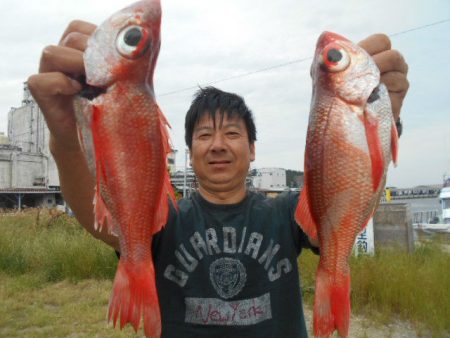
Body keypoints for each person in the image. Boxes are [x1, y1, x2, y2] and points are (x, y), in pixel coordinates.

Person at [27, 20, 409, 338]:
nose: (218, 145)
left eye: (232, 133)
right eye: (204, 135)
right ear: (190, 152)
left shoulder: (284, 214)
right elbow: (103, 222)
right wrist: (64, 140)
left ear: (253, 149)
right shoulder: (167, 216)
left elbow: (344, 201)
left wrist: (379, 124)